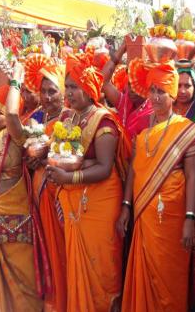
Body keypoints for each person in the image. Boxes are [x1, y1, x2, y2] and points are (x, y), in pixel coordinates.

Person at [46, 51, 130, 312]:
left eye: (75, 87)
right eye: (67, 87)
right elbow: (60, 153)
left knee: (101, 266)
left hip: (100, 203)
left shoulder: (103, 121)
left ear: (89, 89)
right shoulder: (68, 118)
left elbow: (105, 168)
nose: (69, 93)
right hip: (74, 202)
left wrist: (69, 176)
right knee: (77, 267)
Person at [118, 59, 195, 312]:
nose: (155, 97)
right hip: (144, 214)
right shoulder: (143, 130)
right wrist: (125, 206)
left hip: (174, 218)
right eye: (152, 90)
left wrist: (190, 217)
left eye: (161, 92)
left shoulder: (186, 129)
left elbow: (192, 176)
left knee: (169, 279)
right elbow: (134, 170)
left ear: (173, 95)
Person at [0, 81, 49, 311]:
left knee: (23, 281)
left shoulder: (17, 134)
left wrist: (16, 79)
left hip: (15, 217)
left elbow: (11, 115)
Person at [23, 53, 68, 312]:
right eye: (43, 91)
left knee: (62, 250)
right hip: (39, 195)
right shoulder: (36, 119)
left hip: (61, 195)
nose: (47, 97)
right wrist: (31, 164)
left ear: (63, 92)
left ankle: (65, 299)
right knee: (46, 250)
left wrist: (47, 160)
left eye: (53, 91)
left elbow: (75, 156)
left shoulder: (70, 119)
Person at [102, 42, 153, 139]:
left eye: (137, 84)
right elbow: (103, 81)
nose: (132, 89)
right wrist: (121, 49)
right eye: (130, 84)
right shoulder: (125, 102)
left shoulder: (153, 111)